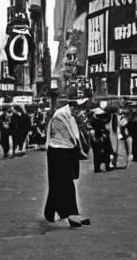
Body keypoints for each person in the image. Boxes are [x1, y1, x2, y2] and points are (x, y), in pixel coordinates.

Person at [44, 95, 92, 228]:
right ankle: (70, 214)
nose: (81, 111)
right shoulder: (61, 115)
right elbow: (71, 136)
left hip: (66, 151)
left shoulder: (69, 115)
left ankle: (58, 212)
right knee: (64, 184)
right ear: (73, 106)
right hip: (59, 151)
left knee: (61, 183)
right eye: (80, 108)